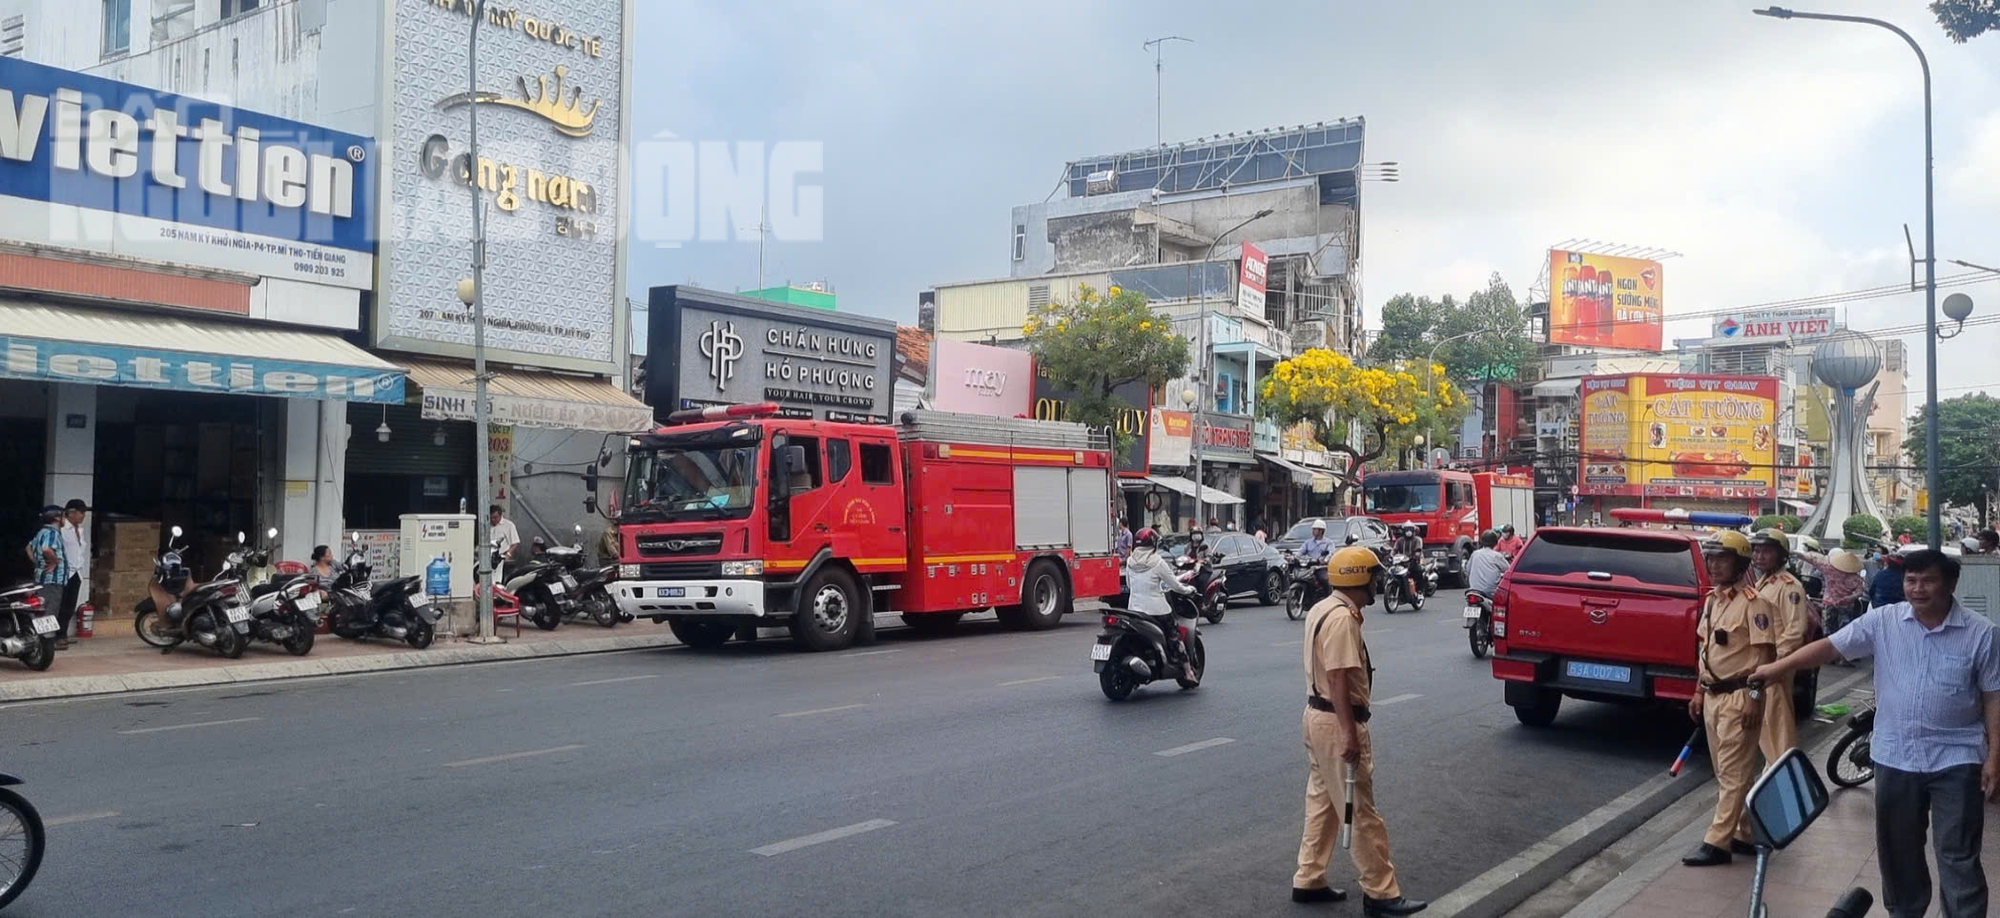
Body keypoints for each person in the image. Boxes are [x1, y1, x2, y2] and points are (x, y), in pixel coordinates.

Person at [1751, 550, 2000, 918]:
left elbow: (1994, 695)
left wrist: (1995, 756)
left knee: (1958, 853)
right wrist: (1778, 668)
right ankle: (1905, 912)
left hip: (1957, 757)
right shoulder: (1884, 621)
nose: (1917, 589)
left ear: (1950, 584)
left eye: (1927, 580)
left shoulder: (1982, 634)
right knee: (1898, 849)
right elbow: (1832, 646)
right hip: (1895, 756)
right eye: (1911, 580)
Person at [1293, 545, 1427, 915]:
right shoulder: (1341, 619)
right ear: (1358, 578)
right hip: (1338, 721)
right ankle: (1381, 893)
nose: (1377, 583)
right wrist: (1349, 734)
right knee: (1360, 809)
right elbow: (1337, 677)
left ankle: (1309, 878)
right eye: (1373, 575)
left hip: (1317, 718)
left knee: (1323, 802)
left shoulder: (1324, 607)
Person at [1683, 531, 1778, 867]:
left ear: (1739, 564)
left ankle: (1717, 842)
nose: (1714, 565)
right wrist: (1698, 689)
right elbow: (1705, 649)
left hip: (1741, 695)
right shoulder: (1713, 600)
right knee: (1729, 771)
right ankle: (1744, 833)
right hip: (1713, 696)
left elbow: (1766, 655)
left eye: (1721, 559)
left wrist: (1755, 697)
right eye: (1710, 559)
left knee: (1733, 772)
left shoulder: (1755, 603)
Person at [1744, 528, 1808, 763]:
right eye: (1757, 551)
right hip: (1760, 667)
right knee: (1762, 728)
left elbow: (1794, 631)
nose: (1759, 556)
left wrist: (1773, 664)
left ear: (1782, 556)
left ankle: (1783, 777)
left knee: (1777, 730)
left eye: (1766, 551)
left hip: (1775, 668)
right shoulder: (1762, 582)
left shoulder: (1790, 586)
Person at [1123, 528, 1199, 683]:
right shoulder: (1157, 562)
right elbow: (1175, 585)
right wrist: (1188, 589)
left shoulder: (1130, 561)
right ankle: (1188, 672)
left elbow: (1129, 585)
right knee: (1174, 636)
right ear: (1153, 543)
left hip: (1134, 610)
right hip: (1157, 610)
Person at [1799, 547, 1868, 642]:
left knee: (1828, 632)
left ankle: (1827, 652)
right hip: (1846, 607)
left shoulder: (1829, 570)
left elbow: (1813, 560)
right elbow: (1859, 592)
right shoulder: (1856, 577)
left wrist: (1797, 554)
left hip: (1829, 605)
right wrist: (1849, 598)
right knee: (1844, 632)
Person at [26, 506, 67, 644]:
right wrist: (54, 561)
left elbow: (28, 547)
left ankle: (41, 640)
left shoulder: (41, 532)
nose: (65, 519)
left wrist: (37, 563)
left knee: (42, 609)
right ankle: (46, 643)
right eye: (63, 516)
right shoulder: (52, 532)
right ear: (57, 518)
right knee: (50, 611)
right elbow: (46, 549)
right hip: (52, 579)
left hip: (42, 578)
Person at [56, 499, 89, 649]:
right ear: (72, 513)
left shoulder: (80, 530)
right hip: (64, 572)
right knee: (61, 605)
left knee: (70, 605)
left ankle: (63, 633)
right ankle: (57, 635)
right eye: (81, 512)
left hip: (77, 572)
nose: (83, 516)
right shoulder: (61, 529)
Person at [1466, 530, 1510, 599]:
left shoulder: (1475, 554)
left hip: (1473, 590)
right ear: (1495, 542)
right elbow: (1508, 570)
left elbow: (1468, 569)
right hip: (1491, 592)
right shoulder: (1496, 556)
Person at [1392, 525, 1427, 597]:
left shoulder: (1417, 540)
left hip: (1414, 561)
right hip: (1402, 562)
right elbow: (1394, 550)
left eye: (1410, 529)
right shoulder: (1400, 540)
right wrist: (1391, 555)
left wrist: (1415, 556)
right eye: (1406, 529)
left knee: (1419, 571)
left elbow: (1418, 550)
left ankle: (1420, 592)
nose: (1408, 531)